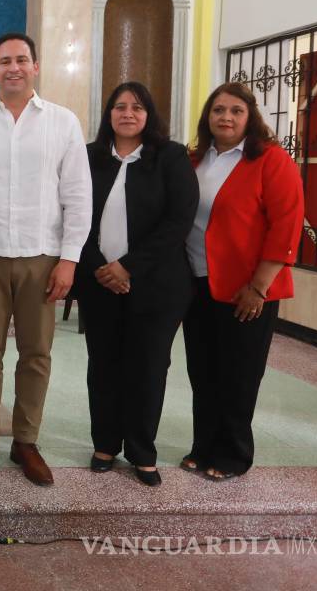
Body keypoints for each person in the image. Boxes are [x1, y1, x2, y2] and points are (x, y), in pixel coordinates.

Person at [0, 33, 91, 486]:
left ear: (36, 66)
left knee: (36, 353)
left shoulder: (62, 123)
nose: (14, 68)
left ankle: (26, 441)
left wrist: (69, 259)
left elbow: (77, 195)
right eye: (4, 61)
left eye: (21, 60)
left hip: (42, 258)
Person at [74, 82, 198, 487]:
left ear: (150, 115)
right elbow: (73, 216)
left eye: (138, 107)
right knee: (104, 364)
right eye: (120, 106)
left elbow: (178, 221)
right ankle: (105, 444)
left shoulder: (171, 157)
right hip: (98, 282)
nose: (128, 113)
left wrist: (127, 268)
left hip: (157, 285)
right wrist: (100, 268)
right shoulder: (88, 157)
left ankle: (143, 451)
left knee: (147, 367)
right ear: (108, 114)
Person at [181, 82, 304, 482]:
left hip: (246, 289)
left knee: (239, 373)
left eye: (236, 110)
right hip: (198, 282)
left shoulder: (270, 160)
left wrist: (259, 286)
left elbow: (286, 226)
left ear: (250, 117)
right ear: (208, 117)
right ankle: (203, 446)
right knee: (203, 371)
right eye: (218, 110)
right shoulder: (197, 159)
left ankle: (233, 453)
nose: (226, 117)